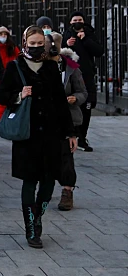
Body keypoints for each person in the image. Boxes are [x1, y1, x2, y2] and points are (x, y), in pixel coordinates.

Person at [0, 26, 76, 249]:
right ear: (24, 43)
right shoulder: (15, 67)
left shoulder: (51, 67)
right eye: (32, 43)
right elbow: (1, 95)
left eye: (40, 43)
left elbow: (61, 102)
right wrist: (19, 95)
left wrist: (70, 133)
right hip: (27, 136)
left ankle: (38, 217)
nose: (36, 47)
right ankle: (31, 228)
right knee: (30, 180)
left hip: (52, 134)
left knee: (49, 182)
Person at [49, 32, 87, 211]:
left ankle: (67, 191)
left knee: (66, 155)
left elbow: (83, 92)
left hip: (68, 118)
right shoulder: (41, 66)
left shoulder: (71, 67)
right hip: (47, 117)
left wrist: (74, 98)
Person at [62, 12, 104, 151]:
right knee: (73, 104)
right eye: (75, 20)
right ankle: (73, 134)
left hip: (87, 75)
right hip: (72, 75)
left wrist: (85, 39)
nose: (77, 22)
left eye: (80, 20)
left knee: (87, 105)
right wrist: (67, 44)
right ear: (70, 23)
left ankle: (82, 137)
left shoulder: (89, 34)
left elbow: (99, 51)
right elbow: (60, 53)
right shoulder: (67, 35)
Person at [0, 27, 20, 123]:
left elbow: (19, 59)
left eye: (5, 34)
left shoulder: (12, 48)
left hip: (12, 77)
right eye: (1, 34)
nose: (3, 36)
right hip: (0, 76)